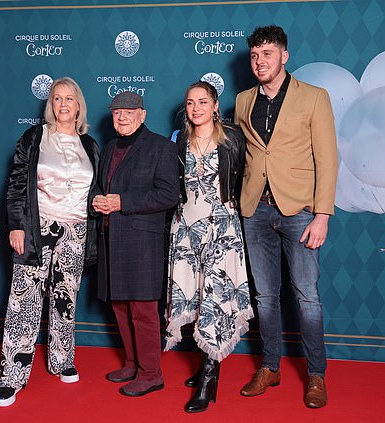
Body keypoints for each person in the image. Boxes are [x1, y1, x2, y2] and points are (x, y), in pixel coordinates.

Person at [234, 25, 338, 409]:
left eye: (268, 54)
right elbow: (246, 157)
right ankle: (270, 366)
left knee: (307, 297)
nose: (260, 62)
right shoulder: (243, 101)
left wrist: (322, 215)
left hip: (300, 211)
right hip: (254, 211)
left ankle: (315, 375)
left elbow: (327, 159)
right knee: (265, 296)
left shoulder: (314, 98)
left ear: (284, 56)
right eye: (255, 55)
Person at [0, 77, 100, 407]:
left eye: (70, 98)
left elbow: (94, 192)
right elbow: (16, 185)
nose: (64, 104)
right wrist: (16, 226)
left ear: (79, 105)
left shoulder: (91, 145)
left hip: (76, 231)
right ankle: (12, 375)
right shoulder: (34, 137)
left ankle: (61, 360)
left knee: (65, 299)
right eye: (57, 98)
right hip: (37, 228)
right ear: (50, 105)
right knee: (24, 302)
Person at [164, 81, 253, 413]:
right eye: (190, 102)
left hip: (221, 228)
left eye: (203, 101)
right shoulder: (179, 141)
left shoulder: (232, 139)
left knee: (216, 298)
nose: (196, 108)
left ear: (216, 105)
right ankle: (207, 364)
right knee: (197, 297)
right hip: (186, 228)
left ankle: (208, 377)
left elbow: (245, 177)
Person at [91, 91, 179, 397]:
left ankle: (151, 373)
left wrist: (122, 202)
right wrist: (97, 200)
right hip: (111, 240)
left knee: (142, 311)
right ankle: (131, 362)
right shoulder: (109, 148)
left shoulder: (161, 147)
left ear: (142, 115)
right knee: (119, 307)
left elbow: (169, 195)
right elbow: (99, 188)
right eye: (117, 113)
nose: (123, 117)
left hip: (142, 242)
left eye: (129, 112)